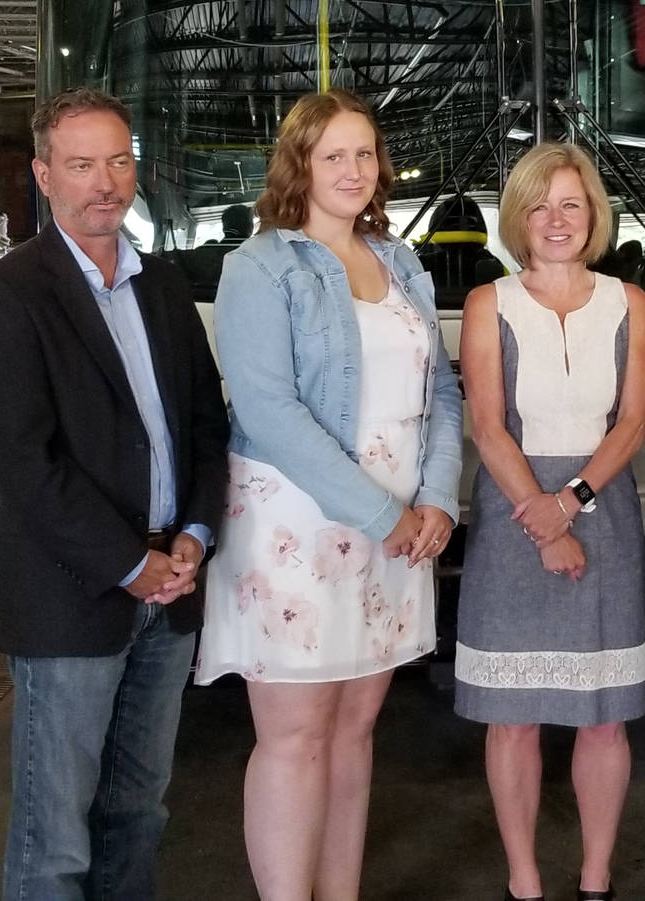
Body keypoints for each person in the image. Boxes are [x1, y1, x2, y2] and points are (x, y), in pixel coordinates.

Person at [0, 87, 229, 901]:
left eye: (117, 160)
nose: (103, 182)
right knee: (55, 839)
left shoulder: (163, 285)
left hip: (170, 586)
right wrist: (127, 562)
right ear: (44, 174)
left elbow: (207, 427)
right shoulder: (7, 295)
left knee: (138, 813)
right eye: (80, 165)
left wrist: (196, 533)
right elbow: (25, 464)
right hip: (73, 595)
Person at [197, 89, 462, 901]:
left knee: (354, 731)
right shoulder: (260, 265)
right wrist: (387, 513)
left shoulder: (399, 260)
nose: (353, 169)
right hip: (300, 523)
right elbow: (270, 409)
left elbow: (443, 394)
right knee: (296, 738)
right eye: (333, 154)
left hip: (400, 525)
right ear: (299, 164)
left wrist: (440, 500)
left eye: (365, 152)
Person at [454, 142, 645, 901]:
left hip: (598, 514)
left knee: (604, 718)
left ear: (593, 214)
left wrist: (569, 504)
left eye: (571, 203)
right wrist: (543, 521)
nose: (556, 219)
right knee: (513, 717)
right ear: (519, 219)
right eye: (540, 205)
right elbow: (487, 424)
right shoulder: (488, 304)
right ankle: (525, 881)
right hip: (513, 514)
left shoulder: (627, 302)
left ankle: (596, 878)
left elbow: (633, 420)